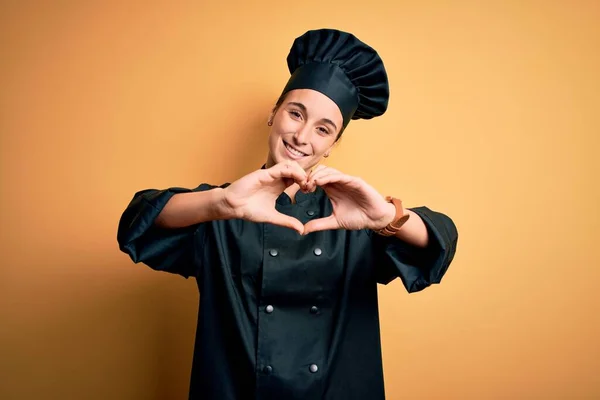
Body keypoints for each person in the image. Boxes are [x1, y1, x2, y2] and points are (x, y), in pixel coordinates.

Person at [117, 28, 458, 400]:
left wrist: (386, 218)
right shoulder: (223, 207)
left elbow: (439, 243)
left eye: (323, 129)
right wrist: (221, 203)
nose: (302, 136)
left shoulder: (353, 217)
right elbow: (138, 221)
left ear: (332, 145)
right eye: (296, 113)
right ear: (273, 113)